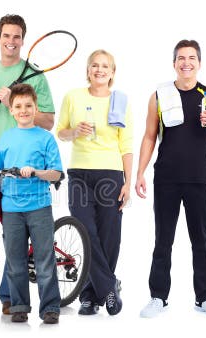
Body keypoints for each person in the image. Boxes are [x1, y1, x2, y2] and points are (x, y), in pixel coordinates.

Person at [134, 39, 206, 319]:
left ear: (199, 62)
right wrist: (140, 172)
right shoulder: (159, 95)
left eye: (191, 58)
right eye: (181, 58)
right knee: (163, 239)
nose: (186, 63)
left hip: (199, 178)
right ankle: (158, 297)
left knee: (201, 240)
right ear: (174, 63)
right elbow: (150, 136)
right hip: (166, 178)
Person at [0, 13, 55, 314]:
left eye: (17, 37)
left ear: (23, 40)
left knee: (14, 236)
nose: (11, 41)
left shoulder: (35, 75)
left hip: (22, 174)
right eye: (6, 36)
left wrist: (12, 103)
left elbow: (47, 122)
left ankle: (10, 298)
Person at [56, 49, 133, 316]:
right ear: (88, 70)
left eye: (105, 67)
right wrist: (75, 131)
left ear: (112, 72)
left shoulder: (120, 100)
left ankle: (90, 295)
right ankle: (109, 288)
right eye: (94, 66)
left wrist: (128, 181)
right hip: (79, 172)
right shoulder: (73, 96)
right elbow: (61, 132)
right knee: (85, 230)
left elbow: (126, 144)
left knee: (109, 235)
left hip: (111, 173)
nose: (99, 70)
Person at [0, 83, 63, 324]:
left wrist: (36, 172)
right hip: (11, 209)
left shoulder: (45, 138)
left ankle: (50, 307)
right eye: (18, 106)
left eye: (28, 106)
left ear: (36, 108)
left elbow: (56, 174)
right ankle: (19, 306)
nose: (23, 110)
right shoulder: (7, 137)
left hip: (39, 207)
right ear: (11, 110)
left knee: (44, 260)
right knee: (15, 260)